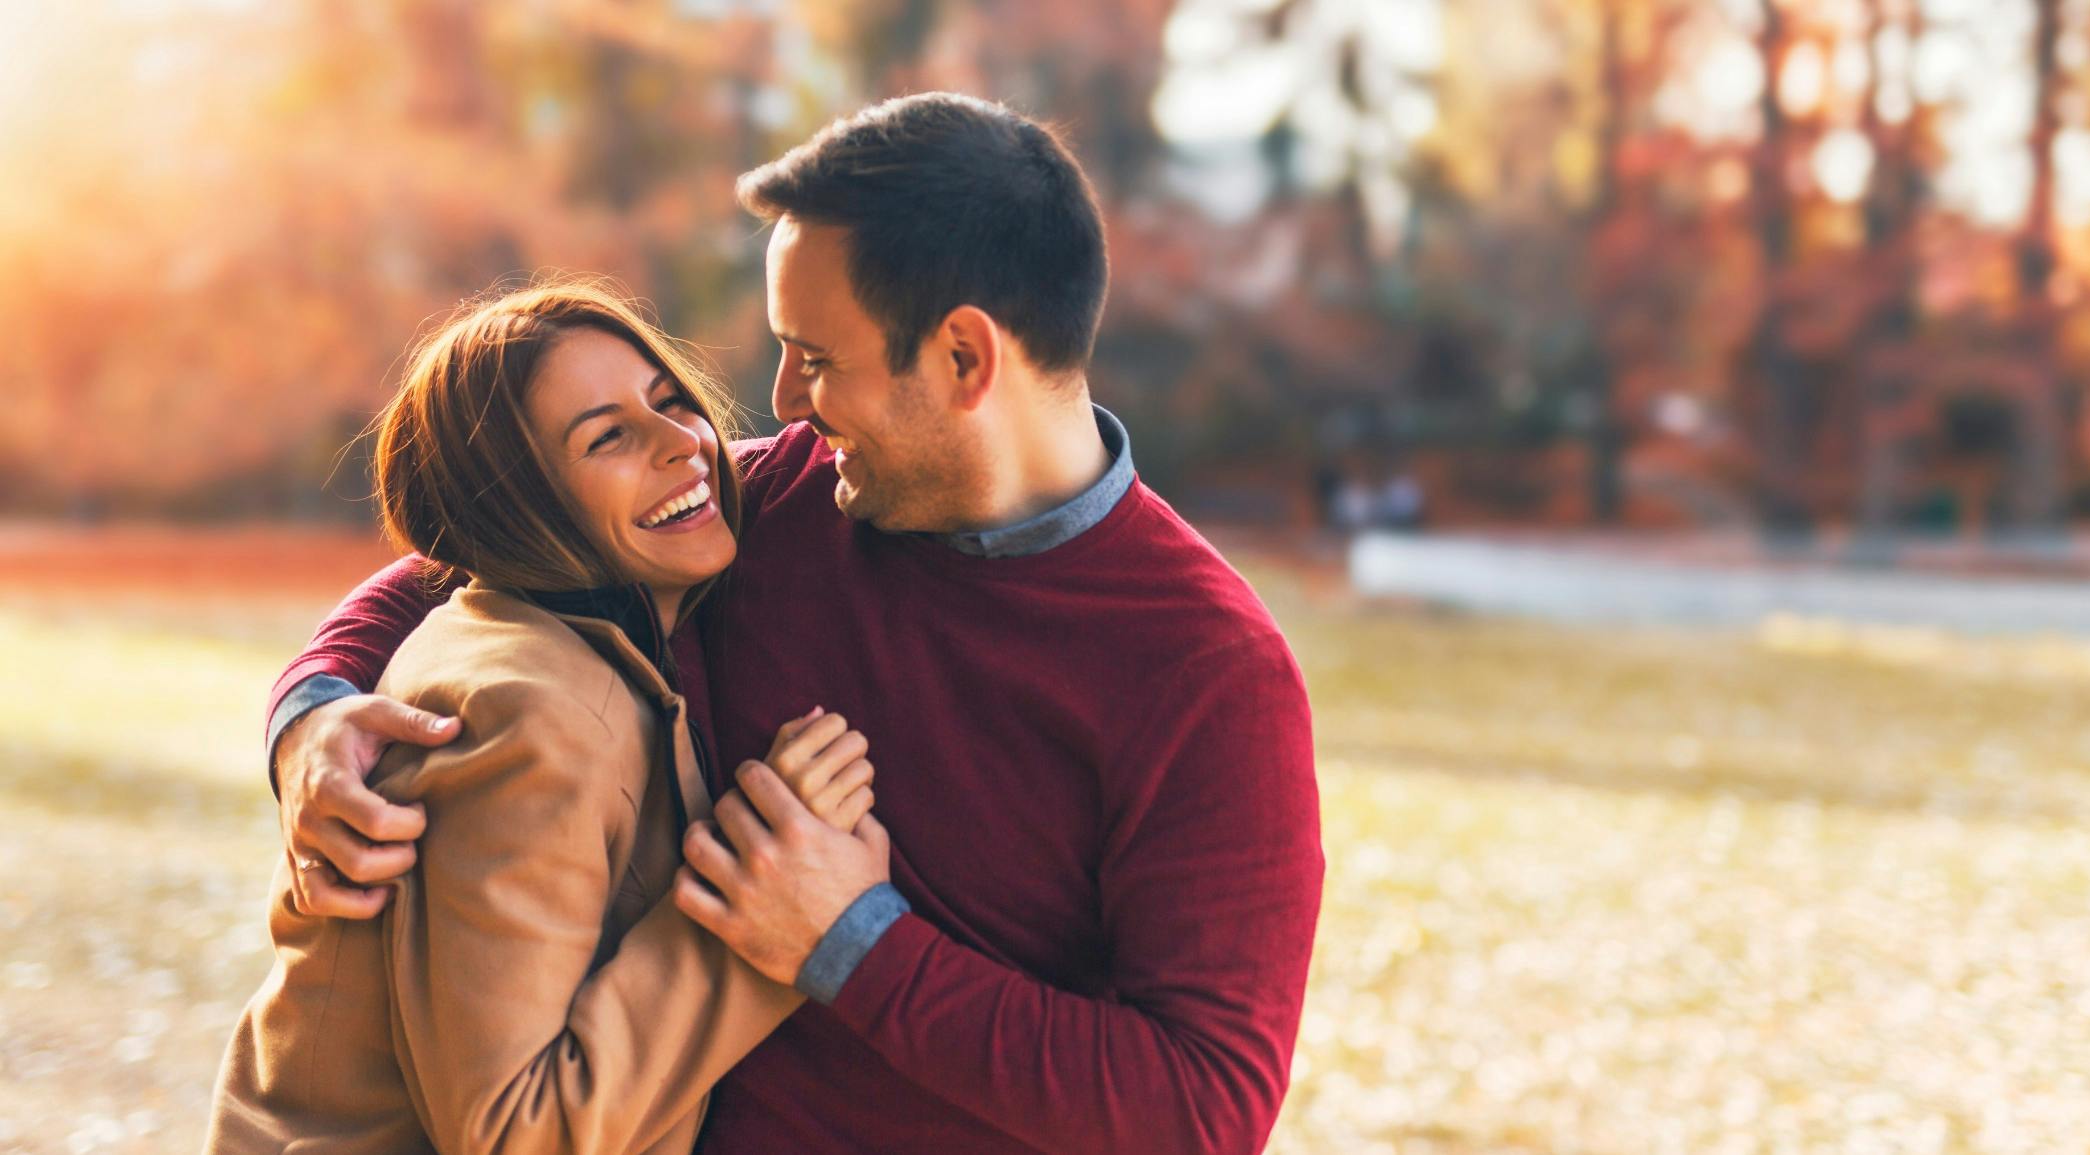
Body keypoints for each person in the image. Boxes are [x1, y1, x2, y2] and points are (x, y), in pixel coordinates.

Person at [263, 93, 1324, 1154]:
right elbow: (488, 549)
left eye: (816, 358)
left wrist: (852, 942)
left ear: (964, 359)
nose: (782, 400)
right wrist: (313, 715)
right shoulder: (782, 504)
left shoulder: (1205, 673)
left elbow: (1201, 1110)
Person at [205, 282, 882, 1154]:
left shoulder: (577, 647)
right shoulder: (525, 715)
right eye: (608, 436)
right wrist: (764, 906)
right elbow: (513, 1133)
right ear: (515, 509)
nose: (683, 444)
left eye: (671, 401)